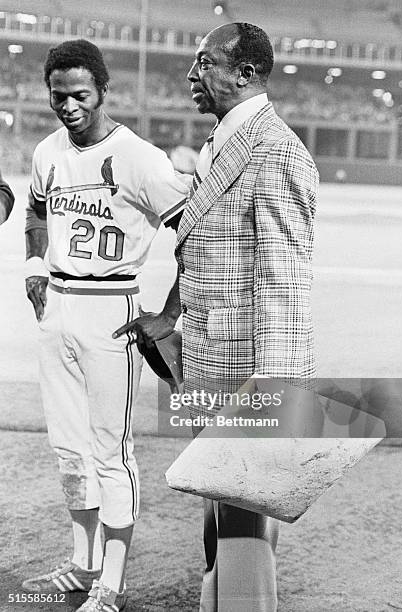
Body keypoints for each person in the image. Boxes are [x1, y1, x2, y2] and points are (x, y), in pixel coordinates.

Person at [117, 22, 319, 611]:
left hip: (248, 370)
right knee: (220, 514)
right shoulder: (222, 142)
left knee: (244, 521)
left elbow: (285, 283)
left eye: (204, 62)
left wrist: (274, 395)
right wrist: (169, 316)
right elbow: (202, 244)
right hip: (208, 358)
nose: (191, 74)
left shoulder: (276, 149)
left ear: (245, 73)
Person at [22, 39, 187, 612]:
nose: (68, 106)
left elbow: (192, 231)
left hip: (111, 308)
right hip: (58, 308)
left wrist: (167, 313)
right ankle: (83, 560)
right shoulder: (47, 150)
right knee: (67, 448)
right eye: (58, 95)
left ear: (102, 91)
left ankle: (112, 583)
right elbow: (36, 210)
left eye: (80, 96)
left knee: (110, 452)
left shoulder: (139, 157)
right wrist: (34, 264)